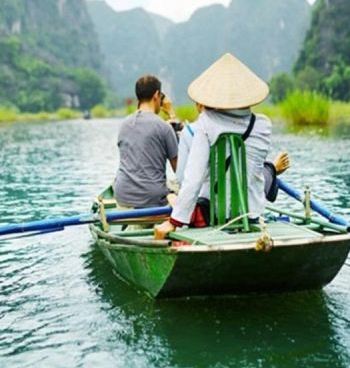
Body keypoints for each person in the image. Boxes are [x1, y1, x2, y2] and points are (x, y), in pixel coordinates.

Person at [154, 53, 275, 239]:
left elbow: (192, 179)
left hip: (216, 217)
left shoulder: (206, 123)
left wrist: (174, 221)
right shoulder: (264, 125)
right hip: (253, 215)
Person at [113, 74, 179, 208]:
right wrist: (171, 113)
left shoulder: (124, 125)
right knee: (177, 191)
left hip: (122, 195)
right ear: (157, 95)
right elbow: (179, 170)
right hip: (153, 199)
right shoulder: (164, 127)